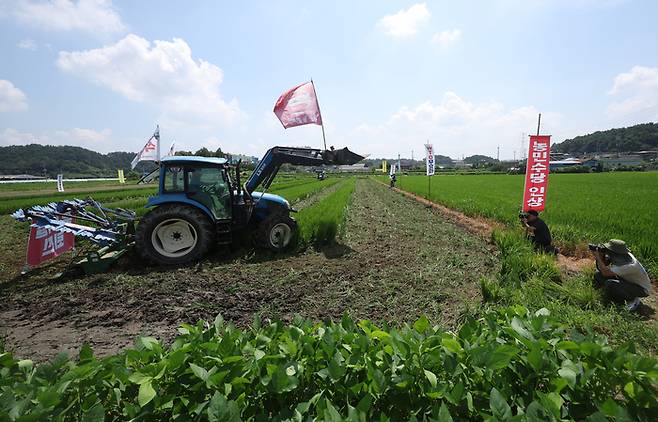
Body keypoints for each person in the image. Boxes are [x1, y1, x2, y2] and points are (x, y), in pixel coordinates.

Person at [592, 239, 652, 311]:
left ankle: (630, 299)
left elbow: (606, 272)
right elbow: (603, 268)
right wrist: (602, 256)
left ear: (614, 252)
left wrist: (598, 257)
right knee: (598, 275)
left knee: (611, 284)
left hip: (641, 289)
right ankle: (610, 293)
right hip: (626, 281)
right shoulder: (622, 256)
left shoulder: (629, 265)